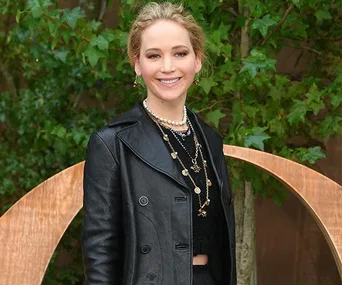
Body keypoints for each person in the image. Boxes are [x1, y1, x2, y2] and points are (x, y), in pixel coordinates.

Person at [81, 2, 236, 285]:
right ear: (137, 64)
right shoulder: (112, 143)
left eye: (180, 53)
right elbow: (100, 252)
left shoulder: (211, 141)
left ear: (197, 60)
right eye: (154, 55)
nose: (168, 67)